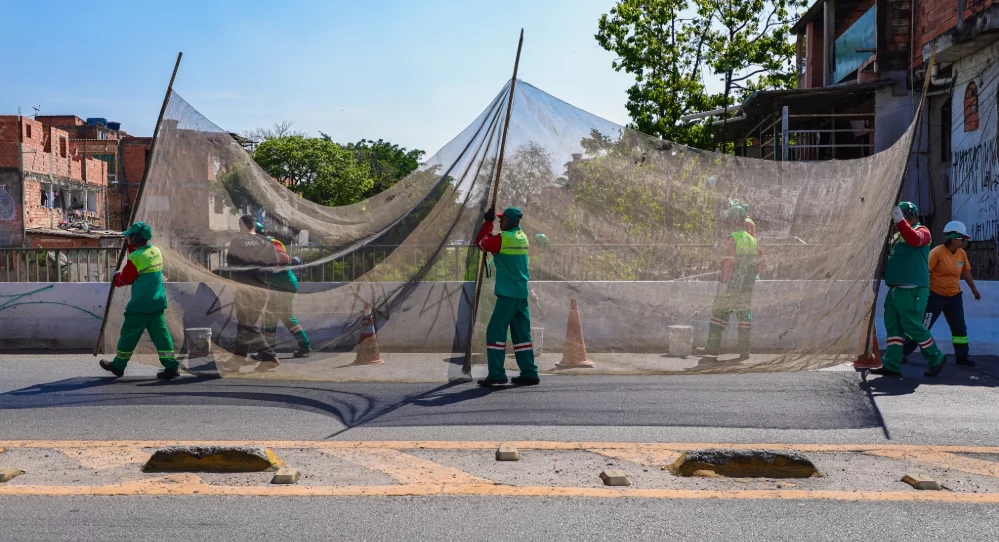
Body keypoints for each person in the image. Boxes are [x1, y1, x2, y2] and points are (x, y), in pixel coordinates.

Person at [873, 202, 947, 378]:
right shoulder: (898, 236)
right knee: (894, 327)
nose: (899, 220)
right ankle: (892, 364)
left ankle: (936, 358)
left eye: (901, 215)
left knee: (912, 325)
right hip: (895, 289)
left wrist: (899, 220)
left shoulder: (923, 231)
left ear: (910, 214)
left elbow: (914, 239)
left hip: (912, 289)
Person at [99, 222, 180, 380]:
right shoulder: (155, 251)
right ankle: (171, 366)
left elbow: (125, 279)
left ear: (136, 237)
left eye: (131, 236)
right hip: (157, 303)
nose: (129, 238)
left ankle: (118, 365)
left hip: (140, 306)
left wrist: (115, 276)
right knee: (161, 336)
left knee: (128, 335)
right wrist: (130, 248)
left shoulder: (135, 257)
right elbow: (142, 260)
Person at [474, 206, 540, 386]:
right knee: (521, 335)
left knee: (495, 332)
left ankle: (496, 374)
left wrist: (488, 222)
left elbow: (481, 243)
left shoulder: (505, 238)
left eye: (503, 220)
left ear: (512, 221)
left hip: (508, 293)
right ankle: (529, 373)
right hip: (521, 292)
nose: (501, 222)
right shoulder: (522, 236)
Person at [901, 220, 981, 367]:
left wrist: (974, 290)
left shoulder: (961, 254)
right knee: (923, 326)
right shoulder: (937, 253)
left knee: (959, 328)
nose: (964, 241)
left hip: (954, 297)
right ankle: (903, 352)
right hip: (935, 296)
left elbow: (966, 272)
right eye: (963, 238)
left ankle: (962, 356)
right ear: (954, 238)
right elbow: (924, 273)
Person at [704, 206, 763, 359]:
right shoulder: (752, 240)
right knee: (744, 316)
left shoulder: (733, 238)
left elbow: (728, 264)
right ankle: (744, 350)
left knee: (718, 314)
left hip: (732, 286)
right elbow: (761, 263)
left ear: (733, 221)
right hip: (747, 286)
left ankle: (712, 348)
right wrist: (750, 275)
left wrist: (724, 284)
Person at [225, 215, 280, 370]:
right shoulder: (267, 242)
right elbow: (275, 266)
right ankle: (239, 358)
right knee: (244, 324)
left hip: (244, 289)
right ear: (254, 226)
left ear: (241, 226)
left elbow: (231, 267)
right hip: (262, 289)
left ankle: (269, 356)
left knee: (247, 324)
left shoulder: (237, 242)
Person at [255, 222, 312, 358]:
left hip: (282, 282)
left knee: (280, 317)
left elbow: (283, 259)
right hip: (280, 283)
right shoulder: (265, 245)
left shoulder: (272, 243)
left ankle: (269, 352)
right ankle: (304, 346)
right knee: (277, 317)